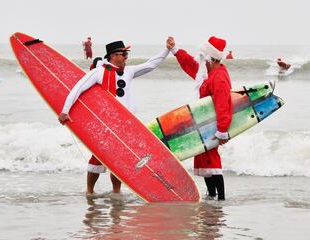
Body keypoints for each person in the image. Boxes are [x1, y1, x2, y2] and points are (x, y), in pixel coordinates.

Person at [58, 40, 170, 195]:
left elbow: (151, 64)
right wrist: (65, 111)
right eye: (123, 55)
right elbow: (78, 88)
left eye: (125, 54)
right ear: (113, 56)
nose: (125, 58)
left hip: (126, 123)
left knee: (119, 160)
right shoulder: (99, 72)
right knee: (97, 157)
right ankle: (90, 192)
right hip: (106, 123)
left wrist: (167, 49)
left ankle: (116, 192)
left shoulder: (129, 71)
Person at [166, 36, 233, 201]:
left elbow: (223, 104)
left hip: (213, 126)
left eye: (203, 55)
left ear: (210, 57)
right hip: (204, 125)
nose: (200, 58)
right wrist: (175, 50)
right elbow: (191, 65)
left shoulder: (218, 77)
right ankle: (212, 196)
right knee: (204, 157)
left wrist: (222, 130)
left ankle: (221, 200)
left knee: (211, 158)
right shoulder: (207, 72)